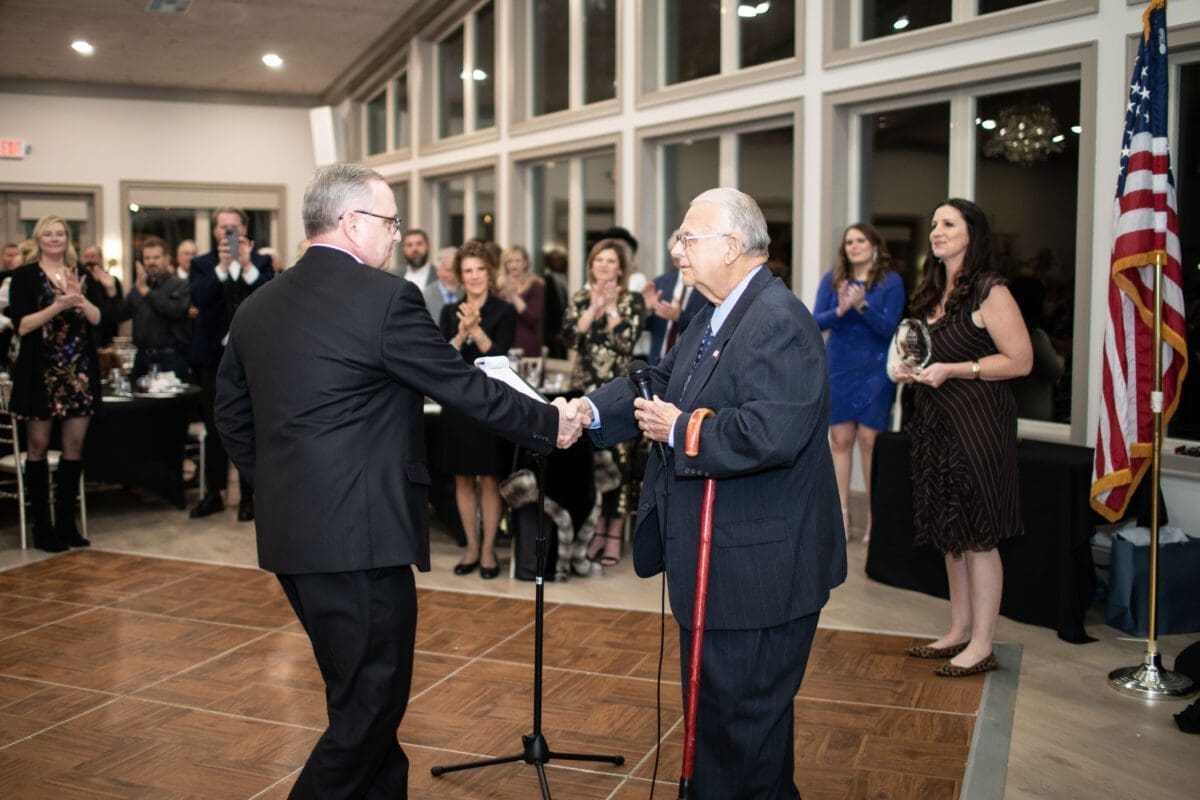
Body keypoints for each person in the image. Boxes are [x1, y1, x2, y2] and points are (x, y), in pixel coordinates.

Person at [214, 162, 579, 799]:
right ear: (352, 222)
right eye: (390, 221)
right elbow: (462, 386)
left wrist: (281, 485)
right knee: (369, 710)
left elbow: (230, 415)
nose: (394, 234)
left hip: (293, 537)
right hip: (362, 538)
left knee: (358, 699)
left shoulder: (257, 305)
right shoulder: (385, 299)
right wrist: (550, 421)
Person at [575, 188, 846, 799]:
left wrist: (679, 429)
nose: (676, 251)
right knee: (728, 729)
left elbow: (771, 433)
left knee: (742, 734)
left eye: (687, 238)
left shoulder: (779, 321)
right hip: (718, 563)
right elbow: (658, 379)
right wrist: (588, 411)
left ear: (731, 245)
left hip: (760, 574)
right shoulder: (715, 312)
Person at [892, 198, 1032, 678]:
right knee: (950, 534)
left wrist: (956, 369)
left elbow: (1021, 361)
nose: (937, 231)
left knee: (978, 536)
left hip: (978, 424)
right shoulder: (932, 293)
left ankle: (983, 644)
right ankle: (958, 630)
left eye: (948, 224)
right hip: (935, 425)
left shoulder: (990, 290)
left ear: (973, 233)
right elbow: (921, 352)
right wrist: (908, 369)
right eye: (934, 223)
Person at [6, 216, 112, 552]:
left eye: (60, 234)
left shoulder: (79, 274)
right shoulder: (24, 276)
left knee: (74, 448)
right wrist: (58, 306)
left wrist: (79, 299)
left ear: (68, 239)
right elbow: (23, 325)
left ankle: (67, 524)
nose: (54, 239)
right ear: (38, 239)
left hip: (78, 372)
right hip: (40, 374)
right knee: (37, 447)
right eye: (48, 234)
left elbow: (99, 319)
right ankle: (42, 527)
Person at [812, 223, 905, 543]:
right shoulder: (833, 279)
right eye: (849, 242)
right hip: (839, 366)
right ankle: (841, 514)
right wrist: (840, 309)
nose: (853, 246)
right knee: (840, 441)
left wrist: (863, 305)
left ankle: (875, 519)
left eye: (860, 240)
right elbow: (816, 320)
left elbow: (889, 328)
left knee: (869, 441)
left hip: (874, 369)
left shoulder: (890, 282)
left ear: (874, 245)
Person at [563, 239, 645, 570]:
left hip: (618, 394)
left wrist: (610, 308)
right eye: (599, 260)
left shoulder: (632, 300)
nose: (604, 266)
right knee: (592, 465)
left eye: (610, 261)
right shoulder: (580, 298)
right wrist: (593, 308)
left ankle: (613, 534)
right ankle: (595, 529)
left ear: (621, 268)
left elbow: (626, 341)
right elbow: (569, 337)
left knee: (620, 464)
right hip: (585, 391)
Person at [188, 206, 274, 522]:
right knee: (215, 426)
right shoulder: (202, 264)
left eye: (233, 226)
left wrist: (246, 264)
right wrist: (222, 268)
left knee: (251, 426)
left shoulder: (261, 262)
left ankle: (250, 496)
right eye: (222, 226)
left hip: (252, 358)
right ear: (214, 231)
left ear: (244, 229)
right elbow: (198, 298)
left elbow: (270, 297)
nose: (228, 231)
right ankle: (215, 492)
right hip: (212, 358)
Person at [438, 240, 516, 579]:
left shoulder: (504, 310)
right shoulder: (448, 312)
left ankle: (488, 551)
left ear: (490, 272)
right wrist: (460, 334)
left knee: (489, 477)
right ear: (460, 275)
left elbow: (501, 358)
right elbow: (441, 359)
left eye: (480, 269)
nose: (474, 276)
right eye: (468, 270)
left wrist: (476, 330)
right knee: (462, 477)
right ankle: (471, 546)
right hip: (458, 403)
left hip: (491, 403)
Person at [96, 236, 191, 382]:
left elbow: (175, 311)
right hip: (141, 358)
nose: (151, 262)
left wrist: (146, 292)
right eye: (147, 258)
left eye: (156, 257)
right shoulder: (139, 288)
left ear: (166, 259)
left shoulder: (180, 285)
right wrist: (112, 291)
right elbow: (118, 315)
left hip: (170, 357)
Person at [1007, 275, 1064, 421]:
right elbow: (1055, 370)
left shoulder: (1004, 334)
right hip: (1033, 418)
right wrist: (1061, 357)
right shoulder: (1034, 338)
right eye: (1046, 299)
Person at [643, 257, 708, 367]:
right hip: (657, 363)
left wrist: (680, 317)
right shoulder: (659, 283)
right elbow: (646, 325)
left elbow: (707, 324)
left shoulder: (706, 284)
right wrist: (646, 310)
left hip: (689, 364)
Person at [496, 244, 545, 356]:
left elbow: (533, 318)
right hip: (501, 345)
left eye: (517, 261)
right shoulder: (498, 286)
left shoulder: (535, 285)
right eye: (510, 261)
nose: (513, 265)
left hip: (526, 346)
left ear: (525, 263)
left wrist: (513, 296)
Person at [79, 244, 123, 348]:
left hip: (107, 336)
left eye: (93, 256)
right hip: (86, 336)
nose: (89, 260)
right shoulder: (79, 283)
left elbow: (119, 310)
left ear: (101, 259)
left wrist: (111, 290)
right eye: (86, 257)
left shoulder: (112, 280)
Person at [421, 246, 460, 324]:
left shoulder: (467, 291)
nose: (453, 274)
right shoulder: (426, 295)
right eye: (449, 270)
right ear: (438, 271)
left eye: (457, 270)